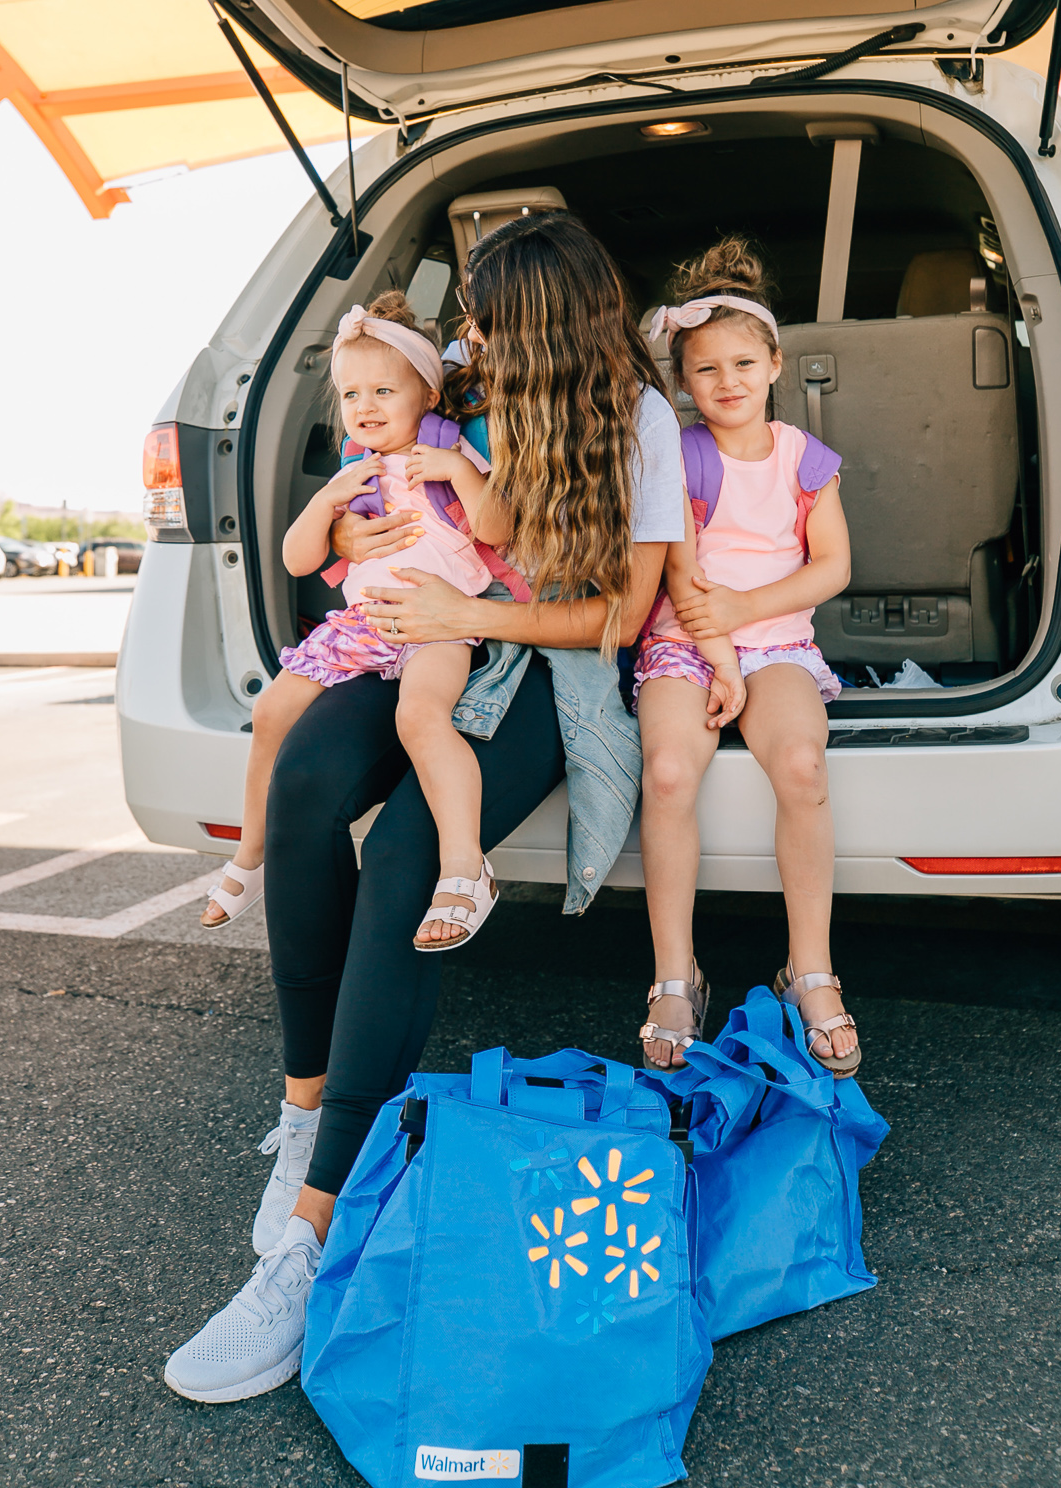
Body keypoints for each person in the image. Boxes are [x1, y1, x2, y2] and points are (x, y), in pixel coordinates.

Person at [164, 212, 686, 1403]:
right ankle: (305, 1106)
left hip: (537, 658)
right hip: (416, 631)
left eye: (486, 321)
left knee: (407, 848)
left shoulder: (639, 420)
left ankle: (312, 1228)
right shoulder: (461, 397)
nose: (466, 339)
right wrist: (359, 532)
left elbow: (618, 614)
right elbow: (375, 492)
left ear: (543, 328)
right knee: (299, 779)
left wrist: (472, 619)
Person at [199, 291, 510, 951]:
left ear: (426, 395)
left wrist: (458, 471)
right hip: (360, 628)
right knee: (272, 713)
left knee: (419, 716)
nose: (363, 407)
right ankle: (251, 852)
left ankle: (465, 863)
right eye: (350, 395)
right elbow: (294, 558)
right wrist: (326, 504)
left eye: (382, 391)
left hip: (437, 622)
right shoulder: (351, 470)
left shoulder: (450, 452)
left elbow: (498, 529)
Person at [634, 238, 861, 1080]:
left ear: (773, 362)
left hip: (776, 642)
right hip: (686, 642)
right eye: (702, 370)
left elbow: (831, 566)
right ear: (682, 385)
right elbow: (684, 577)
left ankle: (808, 969)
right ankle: (672, 974)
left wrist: (748, 617)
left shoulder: (805, 458)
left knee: (802, 765)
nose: (724, 382)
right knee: (666, 774)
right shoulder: (681, 454)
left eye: (741, 363)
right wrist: (720, 656)